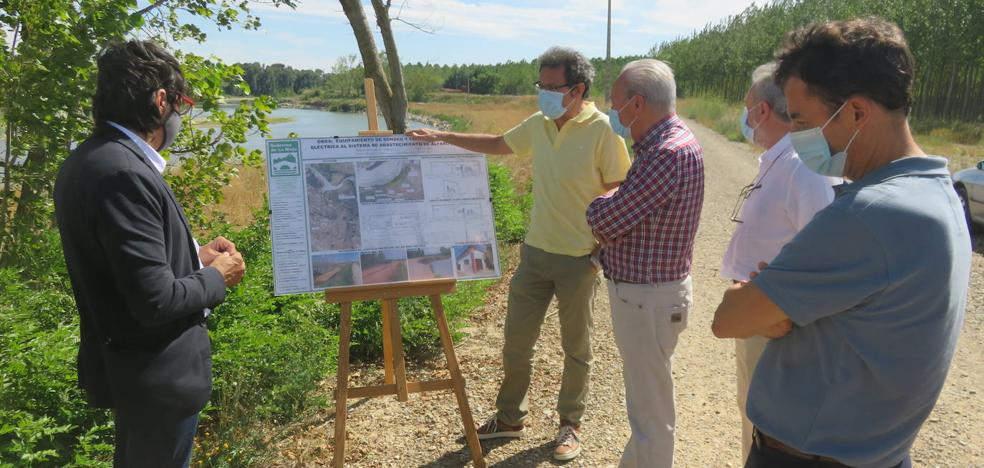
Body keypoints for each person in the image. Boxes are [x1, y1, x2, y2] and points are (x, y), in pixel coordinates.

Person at [711, 18, 971, 468]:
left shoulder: (870, 215)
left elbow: (729, 318)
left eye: (802, 121)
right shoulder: (936, 191)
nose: (795, 138)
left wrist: (755, 299)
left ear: (856, 112)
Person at [407, 46, 631, 461]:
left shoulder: (603, 130)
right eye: (539, 86)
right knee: (516, 341)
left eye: (551, 87)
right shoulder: (541, 124)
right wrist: (442, 136)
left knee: (576, 346)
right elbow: (497, 143)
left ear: (577, 89)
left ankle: (570, 424)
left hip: (580, 257)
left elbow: (619, 184)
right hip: (535, 253)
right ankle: (510, 417)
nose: (542, 94)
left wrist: (603, 236)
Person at [54, 40, 245, 467]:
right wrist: (220, 276)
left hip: (135, 373)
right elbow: (155, 300)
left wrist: (196, 256)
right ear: (161, 101)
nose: (180, 115)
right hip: (157, 380)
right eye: (182, 103)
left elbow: (127, 267)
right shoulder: (123, 172)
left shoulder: (92, 159)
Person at [585, 59, 704, 468]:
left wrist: (601, 203)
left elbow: (606, 218)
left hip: (646, 299)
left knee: (650, 412)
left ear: (637, 104)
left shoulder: (663, 154)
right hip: (653, 296)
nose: (612, 110)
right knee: (647, 399)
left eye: (615, 102)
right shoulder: (668, 144)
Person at [721, 62, 835, 460]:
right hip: (761, 318)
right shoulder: (779, 160)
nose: (745, 114)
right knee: (752, 417)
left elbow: (824, 252)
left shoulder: (803, 168)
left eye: (748, 105)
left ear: (762, 111)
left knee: (768, 430)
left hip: (779, 328)